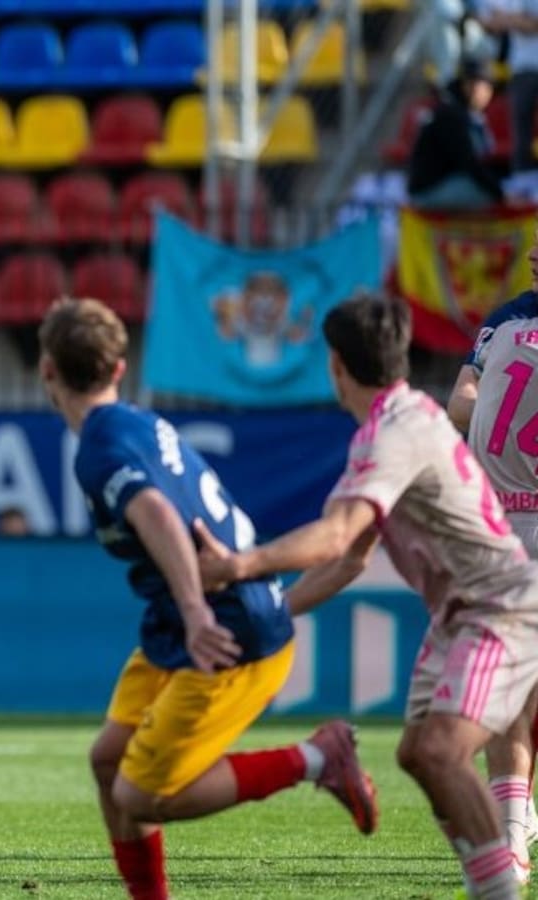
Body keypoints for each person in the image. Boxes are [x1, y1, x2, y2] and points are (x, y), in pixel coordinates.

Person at [197, 291, 538, 900]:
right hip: (463, 611)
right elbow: (350, 560)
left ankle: (502, 882)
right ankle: (496, 871)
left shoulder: (394, 432)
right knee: (417, 754)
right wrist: (274, 613)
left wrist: (238, 565)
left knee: (439, 752)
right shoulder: (399, 421)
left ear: (335, 366)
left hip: (501, 607)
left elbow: (334, 536)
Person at [36, 297, 378, 900]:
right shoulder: (137, 422)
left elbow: (159, 516)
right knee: (108, 763)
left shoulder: (100, 447)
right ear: (119, 370)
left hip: (223, 635)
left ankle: (318, 758)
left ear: (47, 371)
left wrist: (196, 611)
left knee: (143, 796)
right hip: (189, 621)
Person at [447, 256, 538, 877]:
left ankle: (511, 832)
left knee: (507, 686)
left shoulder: (506, 326)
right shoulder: (506, 318)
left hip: (503, 526)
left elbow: (461, 404)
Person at [407, 58, 503, 210]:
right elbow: (469, 163)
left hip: (439, 183)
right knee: (487, 193)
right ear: (466, 85)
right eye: (476, 84)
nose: (483, 92)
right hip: (427, 191)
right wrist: (502, 194)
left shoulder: (462, 112)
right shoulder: (452, 114)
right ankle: (480, 232)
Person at [477, 0, 538, 174]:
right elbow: (489, 23)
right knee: (520, 130)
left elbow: (534, 25)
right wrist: (519, 20)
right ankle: (522, 176)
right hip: (520, 69)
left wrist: (508, 20)